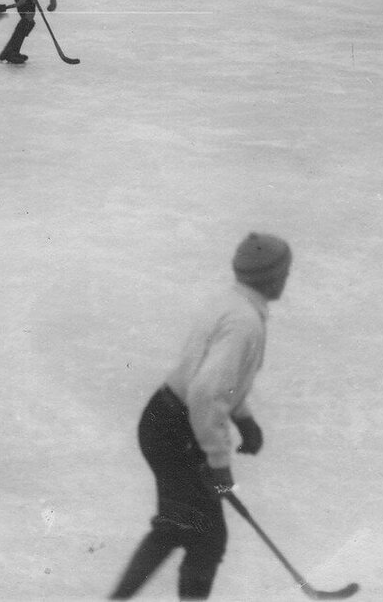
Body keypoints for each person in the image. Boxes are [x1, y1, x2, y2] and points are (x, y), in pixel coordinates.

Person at [110, 232, 290, 600]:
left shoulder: (232, 303)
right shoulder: (245, 322)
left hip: (165, 419)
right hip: (180, 428)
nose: (286, 278)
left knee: (180, 524)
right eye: (285, 272)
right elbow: (206, 393)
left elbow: (217, 382)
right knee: (205, 537)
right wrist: (218, 461)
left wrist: (244, 419)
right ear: (272, 277)